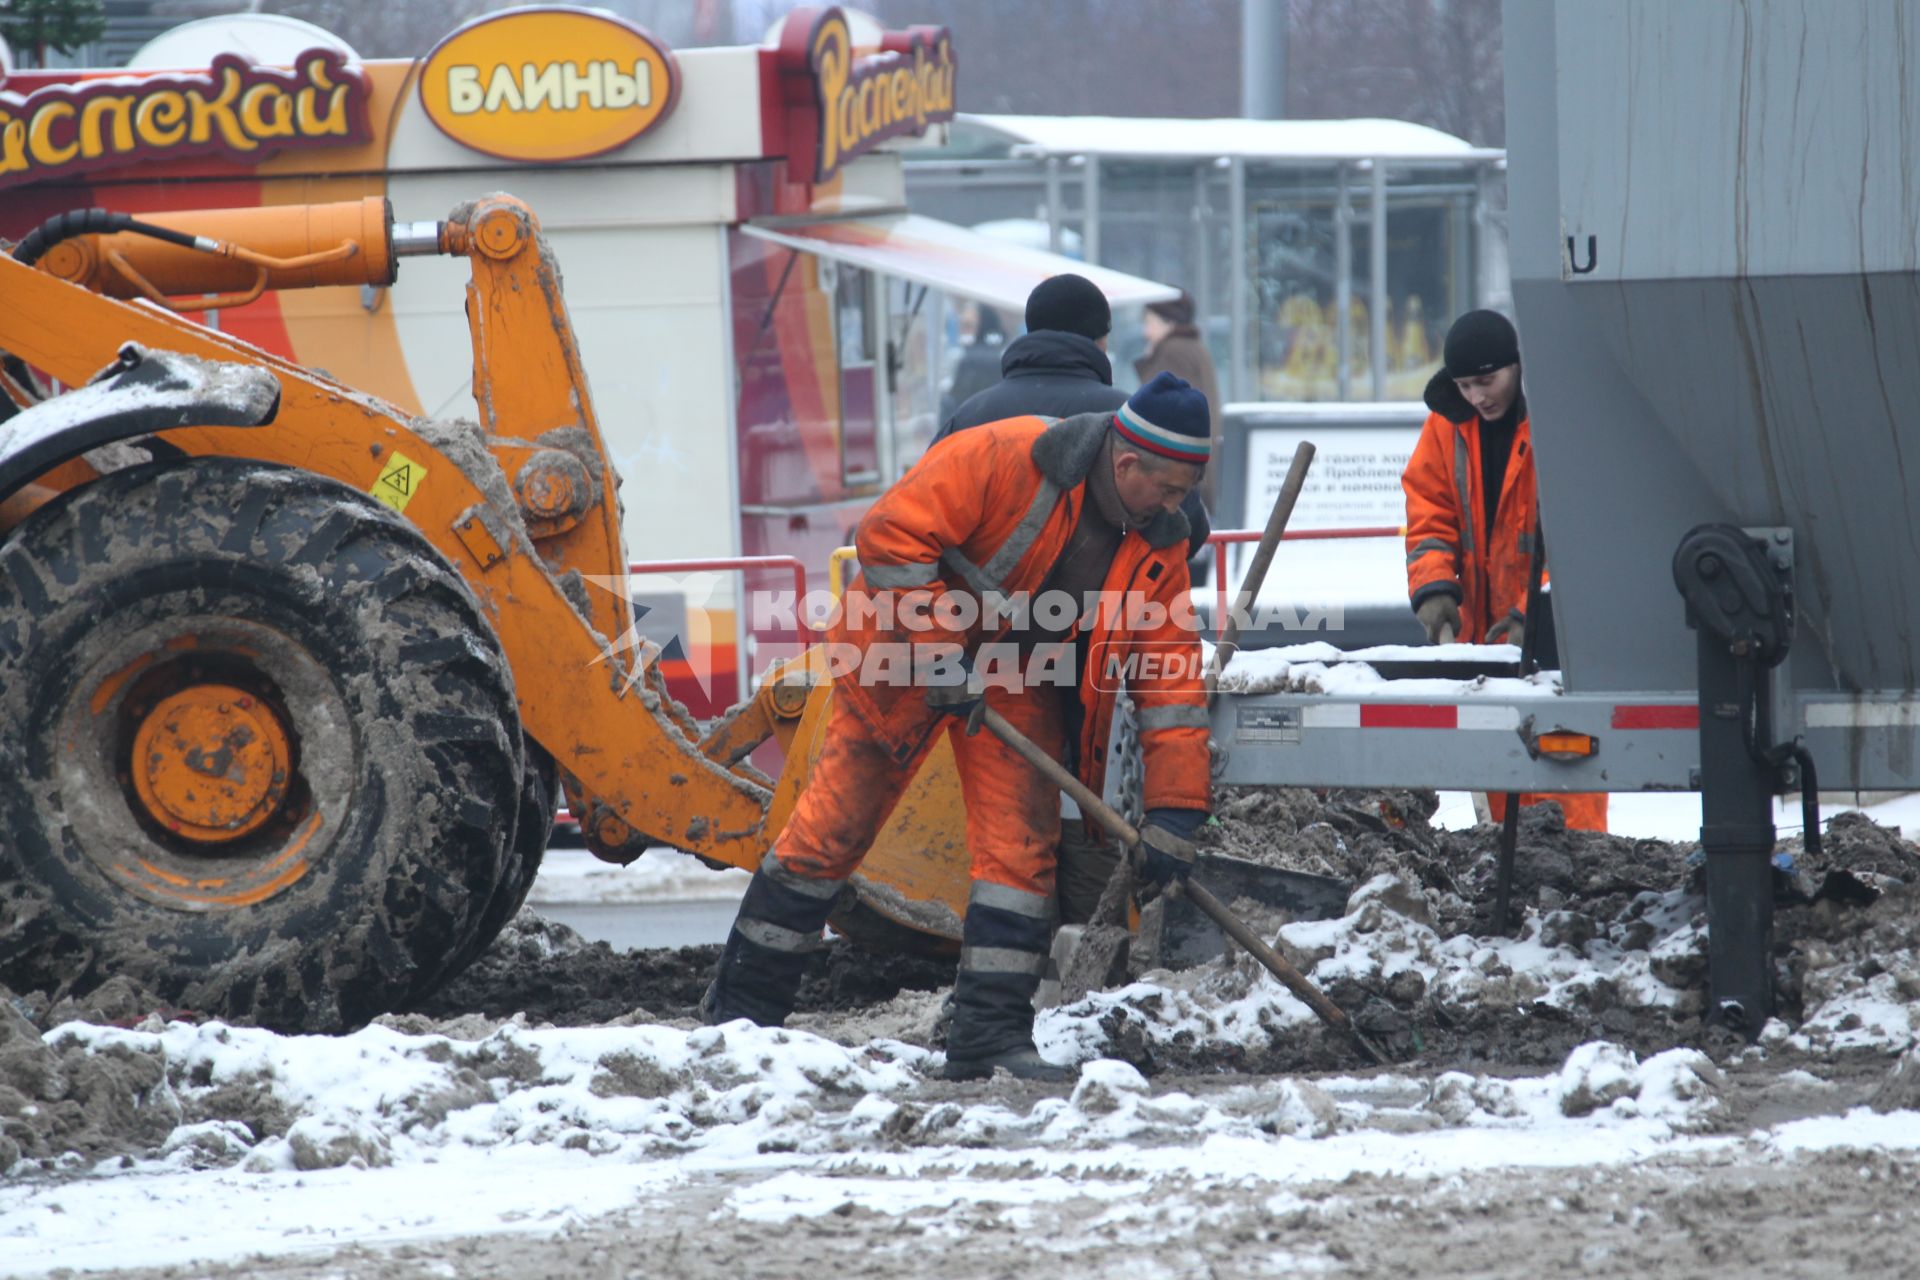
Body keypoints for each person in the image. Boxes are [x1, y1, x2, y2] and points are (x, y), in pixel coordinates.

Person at [703, 374, 1216, 1081]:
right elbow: (888, 536)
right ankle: (739, 1022)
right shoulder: (1005, 455)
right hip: (899, 653)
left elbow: (1171, 683)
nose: (1178, 505)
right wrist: (942, 656)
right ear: (1127, 466)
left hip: (1015, 676)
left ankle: (988, 1039)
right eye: (1169, 488)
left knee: (1019, 857)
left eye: (1187, 491)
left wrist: (1174, 814)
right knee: (832, 831)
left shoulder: (1160, 542)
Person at [939, 274, 1211, 925]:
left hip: (986, 663)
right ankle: (1084, 927)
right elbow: (1186, 530)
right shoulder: (1127, 414)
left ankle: (1012, 937)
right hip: (1097, 658)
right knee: (1084, 808)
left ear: (1028, 331)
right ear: (1101, 338)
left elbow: (929, 542)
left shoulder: (972, 413)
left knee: (1008, 828)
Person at [1401, 309, 1607, 833]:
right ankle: (1509, 881)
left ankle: (1577, 886)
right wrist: (1433, 588)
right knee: (1499, 782)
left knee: (1566, 777)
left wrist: (1532, 613)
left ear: (1516, 367)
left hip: (1557, 649)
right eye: (1465, 385)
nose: (1476, 397)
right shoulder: (1445, 427)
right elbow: (1429, 512)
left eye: (1486, 381)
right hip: (1480, 648)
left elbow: (1580, 533)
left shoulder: (1556, 423)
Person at [1134, 291, 1222, 509]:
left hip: (1178, 475)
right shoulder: (1193, 347)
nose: (1146, 332)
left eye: (1149, 322)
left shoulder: (1172, 351)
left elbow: (1161, 410)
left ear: (1168, 323)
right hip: (1196, 468)